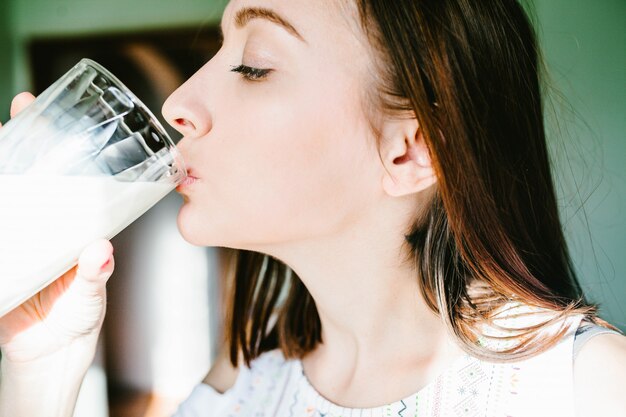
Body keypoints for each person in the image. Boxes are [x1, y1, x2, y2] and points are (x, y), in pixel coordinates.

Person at [1, 0, 625, 416]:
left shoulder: (587, 390)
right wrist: (42, 372)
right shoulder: (239, 390)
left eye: (254, 67)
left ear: (407, 153)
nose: (181, 101)